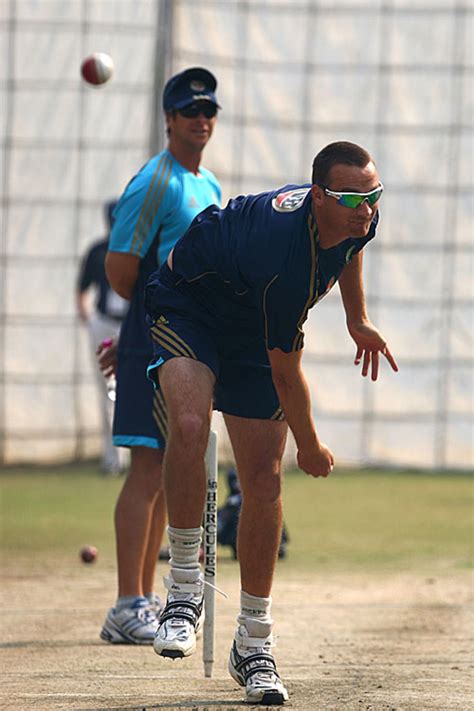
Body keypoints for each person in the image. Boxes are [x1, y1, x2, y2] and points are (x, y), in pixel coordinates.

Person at [144, 141, 398, 705]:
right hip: (191, 305)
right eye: (352, 196)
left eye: (374, 194)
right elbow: (288, 376)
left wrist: (357, 319)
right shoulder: (285, 262)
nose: (366, 209)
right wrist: (310, 446)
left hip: (251, 321)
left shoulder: (359, 218)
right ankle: (185, 590)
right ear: (316, 197)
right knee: (189, 424)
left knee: (263, 479)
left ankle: (253, 643)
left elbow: (353, 246)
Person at [97, 67, 222, 646]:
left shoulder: (210, 185)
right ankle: (127, 601)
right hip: (154, 335)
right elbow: (121, 271)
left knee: (174, 470)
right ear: (169, 119)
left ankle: (143, 599)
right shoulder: (156, 180)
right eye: (189, 111)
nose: (201, 119)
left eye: (208, 111)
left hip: (188, 341)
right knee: (149, 468)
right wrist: (134, 338)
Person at [76, 200, 128, 475]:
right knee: (109, 392)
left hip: (130, 327)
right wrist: (88, 320)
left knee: (137, 391)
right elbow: (82, 288)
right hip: (105, 325)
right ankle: (113, 461)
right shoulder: (97, 251)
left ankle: (135, 458)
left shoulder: (135, 251)